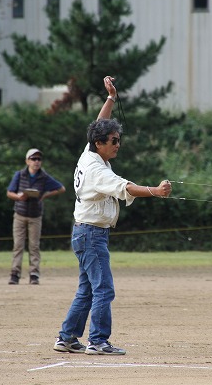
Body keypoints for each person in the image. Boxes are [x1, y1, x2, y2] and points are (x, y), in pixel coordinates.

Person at [54, 76, 172, 355]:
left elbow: (99, 123)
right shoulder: (97, 170)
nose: (118, 144)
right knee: (104, 289)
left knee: (87, 290)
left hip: (85, 232)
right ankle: (97, 341)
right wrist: (156, 191)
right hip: (91, 235)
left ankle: (67, 338)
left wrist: (110, 98)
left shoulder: (89, 153)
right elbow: (125, 187)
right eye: (114, 141)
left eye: (118, 139)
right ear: (99, 143)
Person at [6, 148, 65, 285]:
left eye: (39, 159)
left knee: (34, 246)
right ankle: (15, 274)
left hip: (35, 216)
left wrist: (45, 195)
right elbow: (9, 192)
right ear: (27, 161)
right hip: (20, 214)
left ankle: (34, 274)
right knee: (18, 245)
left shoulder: (44, 177)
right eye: (33, 159)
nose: (36, 161)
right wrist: (19, 197)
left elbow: (61, 188)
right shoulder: (19, 175)